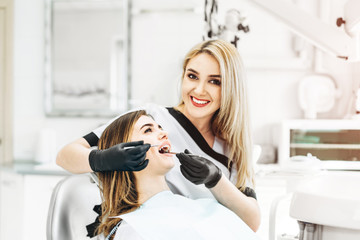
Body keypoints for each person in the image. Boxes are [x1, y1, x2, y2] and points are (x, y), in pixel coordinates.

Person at [56, 39, 260, 231]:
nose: (198, 90)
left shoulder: (235, 148)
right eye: (192, 76)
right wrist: (103, 159)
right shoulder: (150, 118)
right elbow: (65, 155)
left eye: (215, 82)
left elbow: (251, 222)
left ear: (232, 88)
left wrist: (216, 179)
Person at [96, 110, 259, 240]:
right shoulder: (132, 229)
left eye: (160, 127)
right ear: (123, 154)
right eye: (148, 130)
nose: (164, 133)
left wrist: (216, 179)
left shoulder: (203, 206)